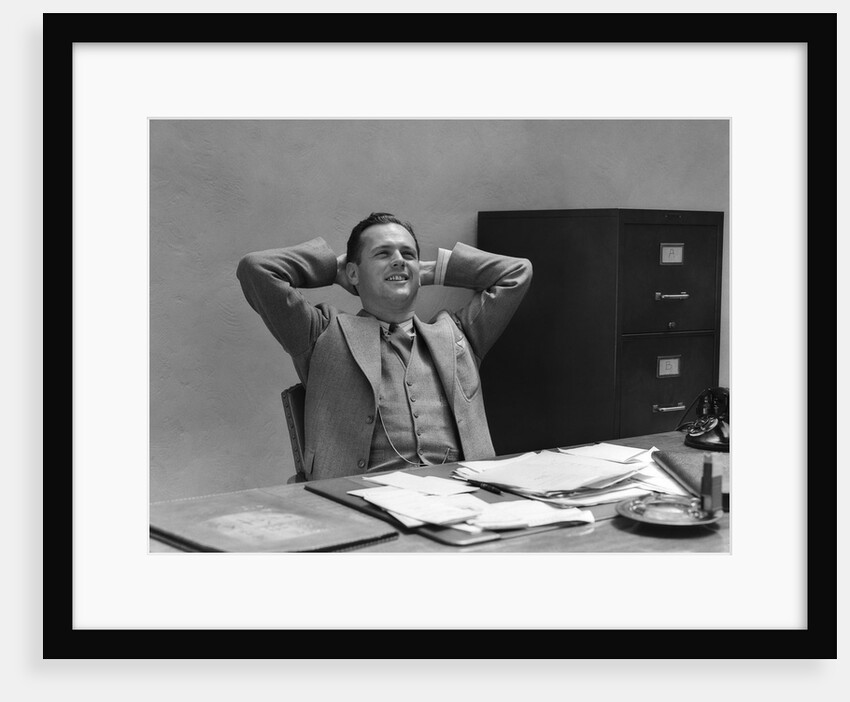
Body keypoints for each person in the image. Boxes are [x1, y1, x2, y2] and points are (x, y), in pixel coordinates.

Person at [236, 212, 532, 481]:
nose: (399, 260)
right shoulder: (321, 333)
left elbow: (517, 273)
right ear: (353, 273)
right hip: (361, 502)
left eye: (408, 254)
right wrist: (332, 269)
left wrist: (432, 270)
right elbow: (256, 270)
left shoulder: (458, 333)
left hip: (465, 495)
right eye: (382, 254)